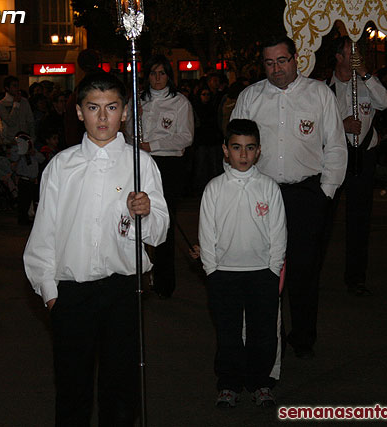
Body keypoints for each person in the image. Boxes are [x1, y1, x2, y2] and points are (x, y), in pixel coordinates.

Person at [23, 72, 169, 425]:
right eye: (93, 108)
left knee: (121, 388)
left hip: (123, 289)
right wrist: (50, 292)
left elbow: (159, 231)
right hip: (72, 293)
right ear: (78, 112)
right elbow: (44, 235)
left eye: (111, 108)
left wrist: (146, 212)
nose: (102, 118)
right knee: (73, 389)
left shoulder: (140, 164)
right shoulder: (62, 166)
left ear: (124, 112)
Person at [231, 35, 346, 359]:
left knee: (304, 271)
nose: (276, 68)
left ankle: (304, 337)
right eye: (269, 62)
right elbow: (235, 146)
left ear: (296, 58)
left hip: (306, 194)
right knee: (262, 269)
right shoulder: (250, 97)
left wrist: (325, 193)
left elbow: (335, 145)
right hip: (261, 194)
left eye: (282, 60)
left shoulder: (319, 94)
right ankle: (270, 336)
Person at [199, 119, 286, 408]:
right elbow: (207, 233)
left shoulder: (269, 187)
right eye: (237, 148)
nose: (244, 155)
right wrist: (211, 270)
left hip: (262, 274)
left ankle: (261, 382)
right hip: (224, 275)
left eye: (250, 148)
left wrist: (273, 269)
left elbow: (278, 233)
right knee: (228, 333)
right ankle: (229, 384)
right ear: (226, 150)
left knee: (262, 333)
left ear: (259, 151)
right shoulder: (214, 188)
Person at [124, 54, 194, 298]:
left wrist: (151, 145)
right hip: (141, 163)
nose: (157, 78)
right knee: (135, 219)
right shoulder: (138, 100)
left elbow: (185, 137)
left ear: (169, 76)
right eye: (153, 73)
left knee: (165, 222)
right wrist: (135, 117)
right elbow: (127, 134)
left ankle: (164, 282)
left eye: (162, 73)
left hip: (168, 165)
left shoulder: (180, 102)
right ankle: (138, 277)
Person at [327, 36, 387, 296]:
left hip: (363, 157)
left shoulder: (366, 85)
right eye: (350, 52)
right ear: (338, 57)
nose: (356, 56)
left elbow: (385, 102)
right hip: (336, 157)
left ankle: (356, 276)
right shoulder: (326, 89)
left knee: (359, 219)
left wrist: (364, 73)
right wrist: (340, 126)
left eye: (358, 52)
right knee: (324, 216)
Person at [12, 132, 44, 225]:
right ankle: (22, 219)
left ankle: (29, 216)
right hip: (24, 179)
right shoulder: (18, 152)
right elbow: (13, 159)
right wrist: (20, 151)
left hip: (32, 180)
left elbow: (41, 159)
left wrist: (33, 152)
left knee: (31, 200)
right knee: (23, 201)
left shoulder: (33, 152)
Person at [0, 75, 35, 144]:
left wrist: (32, 137)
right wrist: (15, 104)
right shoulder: (1, 104)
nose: (17, 88)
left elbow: (30, 120)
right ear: (7, 88)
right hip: (10, 140)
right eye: (14, 86)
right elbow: (10, 122)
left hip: (25, 138)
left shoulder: (24, 101)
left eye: (17, 86)